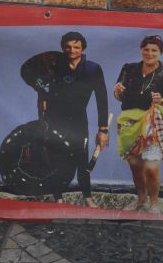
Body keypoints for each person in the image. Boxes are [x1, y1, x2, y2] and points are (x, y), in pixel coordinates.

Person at [36, 32, 110, 207]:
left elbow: (102, 99)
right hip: (54, 118)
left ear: (82, 48)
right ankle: (59, 199)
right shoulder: (53, 67)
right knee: (55, 157)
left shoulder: (93, 69)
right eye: (68, 47)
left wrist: (103, 129)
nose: (72, 50)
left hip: (78, 119)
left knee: (81, 158)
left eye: (76, 46)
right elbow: (40, 88)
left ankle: (87, 198)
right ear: (63, 48)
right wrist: (42, 104)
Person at [113, 34, 163, 213]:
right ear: (141, 50)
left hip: (154, 123)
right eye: (146, 49)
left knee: (151, 167)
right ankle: (141, 201)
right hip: (129, 123)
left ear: (160, 52)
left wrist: (162, 100)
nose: (149, 53)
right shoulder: (128, 69)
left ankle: (154, 204)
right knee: (136, 165)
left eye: (154, 50)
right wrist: (117, 92)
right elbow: (119, 95)